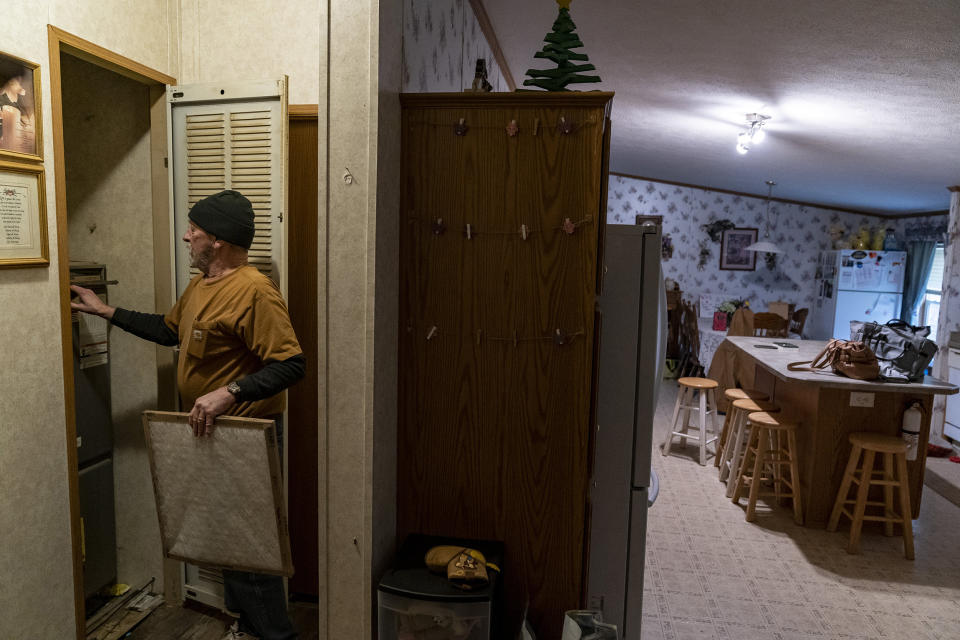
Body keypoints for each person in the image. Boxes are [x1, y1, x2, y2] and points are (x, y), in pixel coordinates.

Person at [70, 189, 305, 640]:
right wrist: (105, 311)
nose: (186, 236)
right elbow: (168, 329)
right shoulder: (201, 284)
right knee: (229, 540)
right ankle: (248, 628)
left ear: (216, 240)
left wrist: (228, 393)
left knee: (250, 545)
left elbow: (292, 364)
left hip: (245, 434)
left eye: (193, 230)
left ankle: (276, 635)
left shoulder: (254, 290)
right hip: (213, 433)